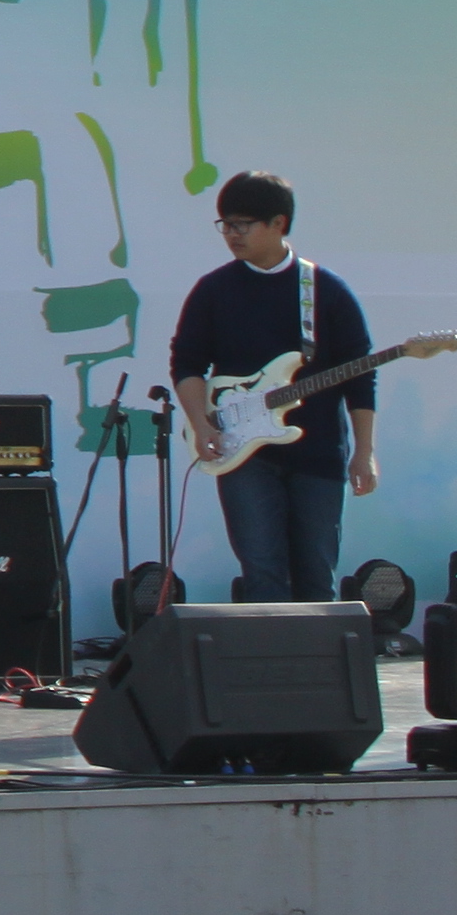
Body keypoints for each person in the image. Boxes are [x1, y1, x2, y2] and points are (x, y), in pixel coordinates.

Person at [170, 170, 380, 600]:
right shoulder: (214, 290)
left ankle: (317, 666)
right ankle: (270, 666)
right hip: (243, 454)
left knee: (317, 576)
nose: (230, 234)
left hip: (318, 454)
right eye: (225, 225)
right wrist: (202, 425)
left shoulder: (326, 290)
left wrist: (364, 452)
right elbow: (186, 363)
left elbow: (360, 376)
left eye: (241, 225)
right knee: (262, 572)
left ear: (278, 224)